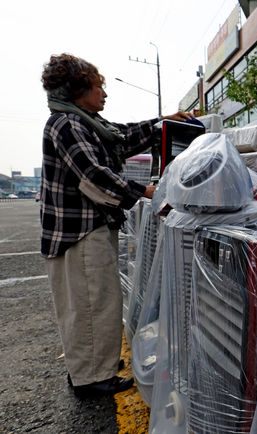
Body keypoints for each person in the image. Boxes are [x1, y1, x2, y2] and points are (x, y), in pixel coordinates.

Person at [40, 53, 191, 398]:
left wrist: (161, 123)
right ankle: (91, 380)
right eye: (98, 87)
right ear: (80, 90)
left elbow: (121, 137)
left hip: (87, 229)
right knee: (92, 305)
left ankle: (91, 368)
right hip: (78, 234)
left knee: (94, 303)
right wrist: (150, 192)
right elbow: (94, 176)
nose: (104, 94)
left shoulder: (86, 123)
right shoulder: (67, 125)